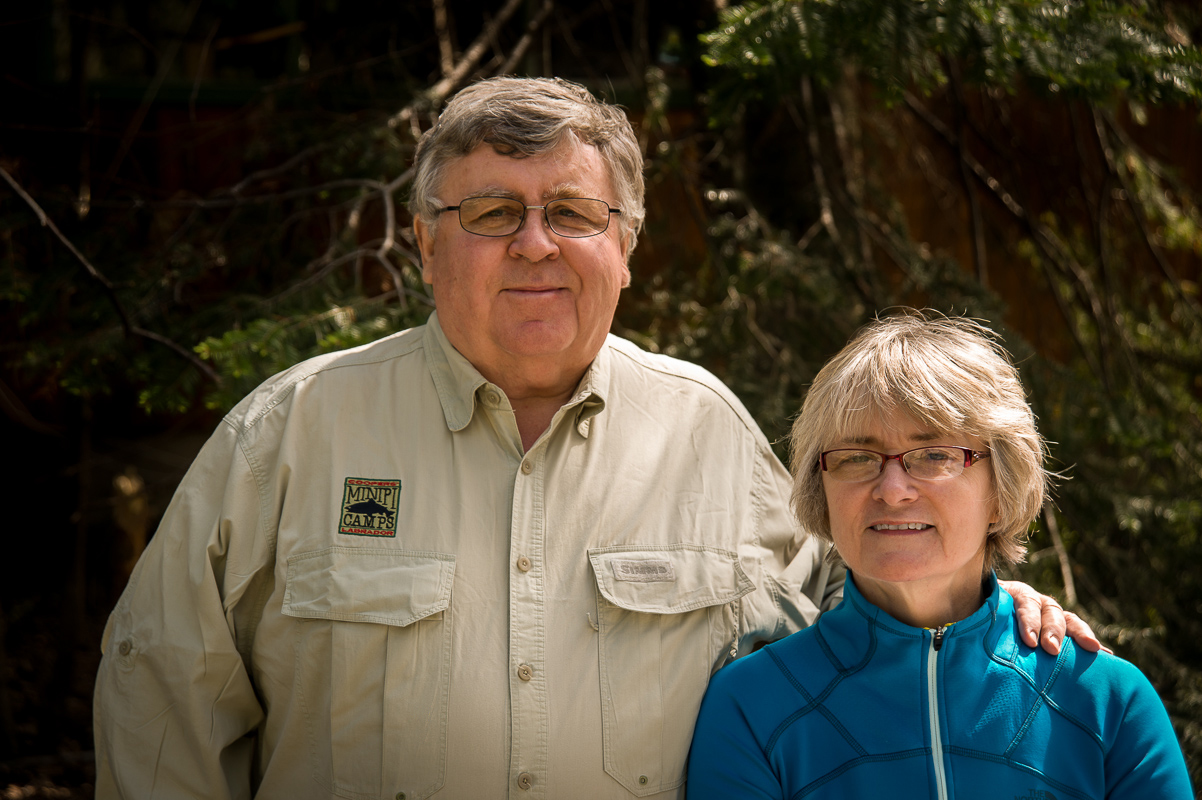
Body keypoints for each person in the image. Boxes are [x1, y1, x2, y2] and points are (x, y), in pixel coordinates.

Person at [92, 79, 1095, 799]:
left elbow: (852, 629)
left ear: (625, 244)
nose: (534, 243)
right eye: (491, 212)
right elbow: (161, 704)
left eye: (571, 212)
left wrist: (978, 597)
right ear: (424, 242)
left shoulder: (704, 432)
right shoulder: (294, 431)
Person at [687, 311, 1193, 799]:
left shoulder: (1106, 700)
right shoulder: (753, 707)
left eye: (934, 455)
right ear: (822, 489)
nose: (892, 489)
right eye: (856, 457)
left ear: (1001, 487)